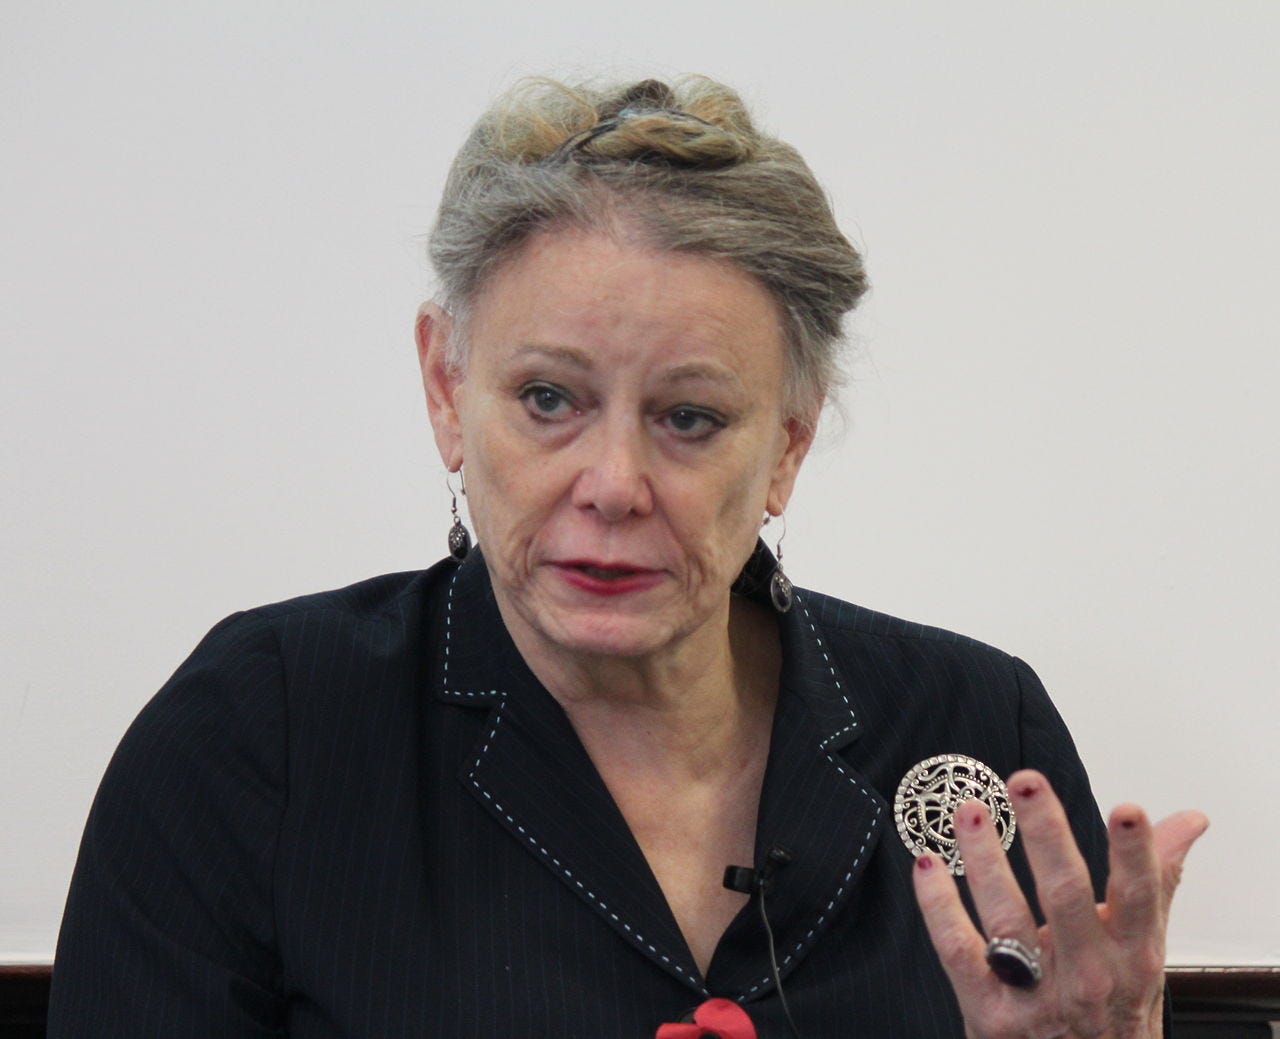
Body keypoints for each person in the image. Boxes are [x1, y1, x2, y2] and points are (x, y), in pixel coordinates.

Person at [47, 75, 1206, 1038]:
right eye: (547, 398)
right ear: (447, 391)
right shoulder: (262, 731)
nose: (610, 484)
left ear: (786, 445)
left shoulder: (970, 729)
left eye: (688, 417)